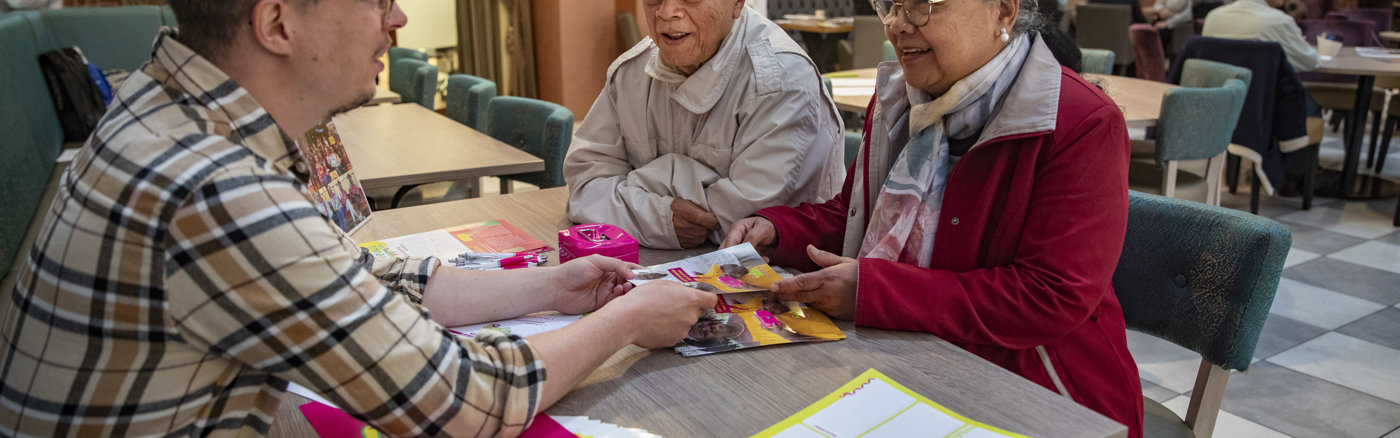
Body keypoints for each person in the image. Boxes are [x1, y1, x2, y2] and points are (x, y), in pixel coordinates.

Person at [0, 1, 717, 436]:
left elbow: (349, 275)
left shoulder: (159, 110)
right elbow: (469, 407)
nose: (397, 19)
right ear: (277, 23)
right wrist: (631, 320)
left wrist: (548, 288)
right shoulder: (217, 190)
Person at [721, 0, 1143, 435]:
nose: (898, 25)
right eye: (890, 5)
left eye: (922, 5)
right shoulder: (899, 101)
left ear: (1003, 12)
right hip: (912, 357)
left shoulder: (1080, 122)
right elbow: (856, 216)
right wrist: (776, 231)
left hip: (1043, 390)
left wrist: (872, 290)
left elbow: (1050, 294)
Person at [563, 0, 845, 250]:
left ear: (736, 3)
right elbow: (585, 188)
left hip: (780, 281)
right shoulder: (631, 72)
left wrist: (633, 187)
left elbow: (745, 223)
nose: (666, 11)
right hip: (660, 265)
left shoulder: (780, 79)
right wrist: (661, 216)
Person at [1202, 0, 1320, 71]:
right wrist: (1301, 44)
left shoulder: (1213, 17)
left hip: (1223, 104)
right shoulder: (1279, 22)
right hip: (1267, 104)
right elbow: (1310, 62)